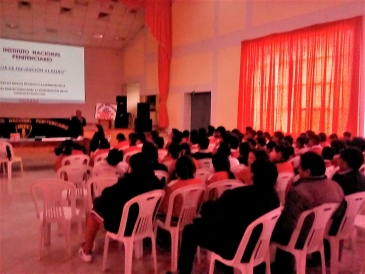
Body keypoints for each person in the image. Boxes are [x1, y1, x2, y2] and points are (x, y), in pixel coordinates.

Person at [173, 159, 280, 274]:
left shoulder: (238, 195)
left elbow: (213, 213)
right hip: (257, 248)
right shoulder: (274, 198)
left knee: (190, 230)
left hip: (235, 249)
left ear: (253, 175)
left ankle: (183, 272)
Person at [78, 153, 164, 262]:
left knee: (94, 213)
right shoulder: (156, 182)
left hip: (126, 225)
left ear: (133, 167)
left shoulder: (128, 182)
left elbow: (107, 194)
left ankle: (86, 250)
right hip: (146, 224)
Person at [272, 152, 344, 248]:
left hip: (300, 237)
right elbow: (338, 213)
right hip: (321, 233)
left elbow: (288, 224)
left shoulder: (299, 191)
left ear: (307, 172)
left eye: (300, 167)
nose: (297, 169)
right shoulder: (335, 186)